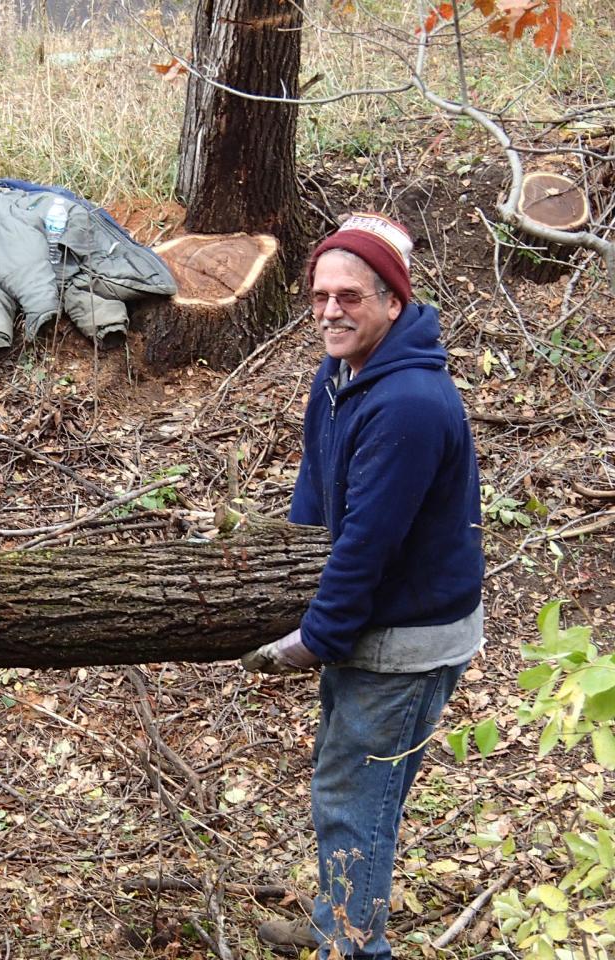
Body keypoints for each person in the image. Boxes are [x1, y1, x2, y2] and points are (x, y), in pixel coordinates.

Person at [241, 214, 484, 959]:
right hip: (373, 627)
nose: (329, 311)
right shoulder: (343, 374)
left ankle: (349, 948)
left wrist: (316, 638)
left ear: (392, 303)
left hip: (404, 642)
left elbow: (369, 544)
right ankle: (333, 926)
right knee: (348, 795)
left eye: (348, 296)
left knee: (354, 806)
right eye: (319, 296)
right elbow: (318, 497)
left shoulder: (407, 403)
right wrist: (291, 581)